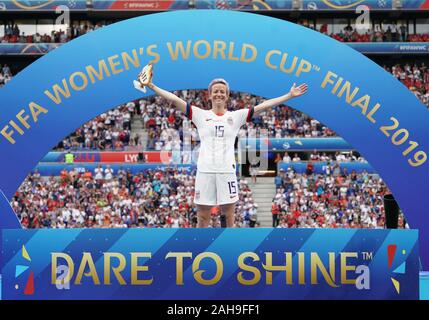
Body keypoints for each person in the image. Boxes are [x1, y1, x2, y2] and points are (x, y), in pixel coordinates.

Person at [134, 65, 308, 228]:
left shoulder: (236, 116)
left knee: (229, 215)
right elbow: (174, 99)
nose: (219, 94)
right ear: (209, 95)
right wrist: (151, 85)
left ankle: (227, 249)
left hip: (227, 171)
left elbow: (263, 106)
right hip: (205, 170)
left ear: (227, 96)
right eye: (215, 91)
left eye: (222, 92)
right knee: (203, 216)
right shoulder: (200, 115)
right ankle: (200, 248)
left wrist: (289, 95)